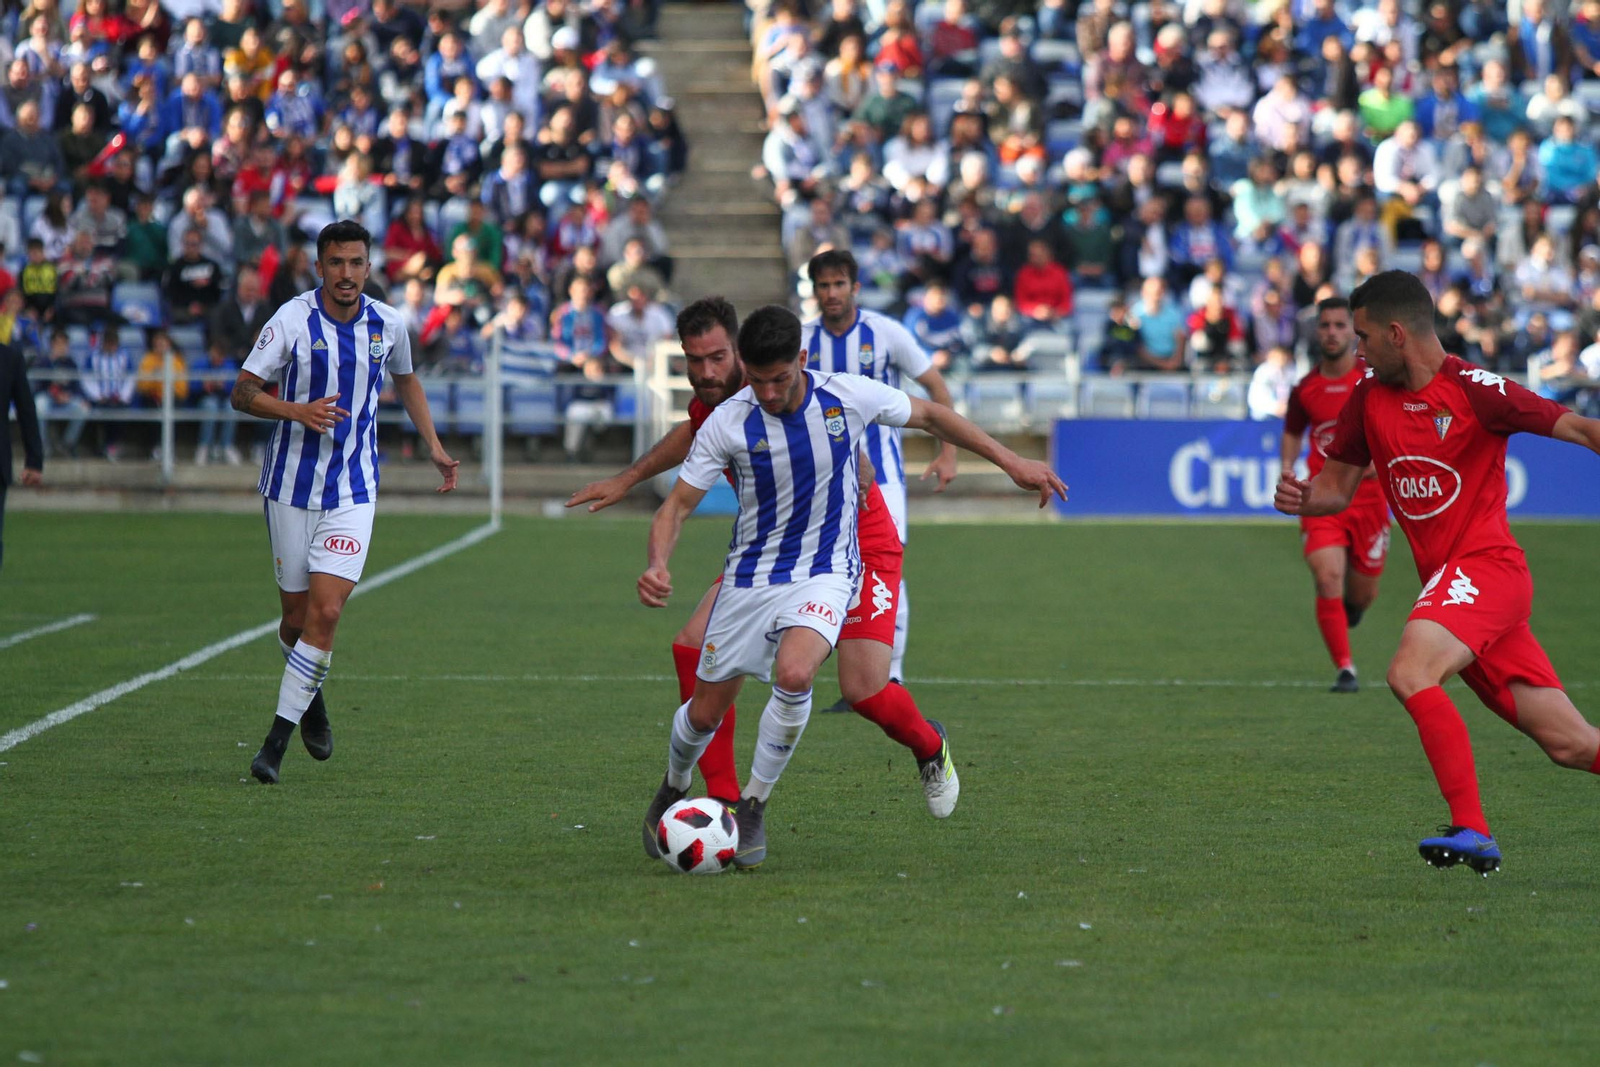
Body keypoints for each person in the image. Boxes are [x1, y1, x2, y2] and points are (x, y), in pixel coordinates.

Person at [632, 303, 1066, 867]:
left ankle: (756, 804)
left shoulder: (846, 395)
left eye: (779, 380)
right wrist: (657, 562)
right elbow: (676, 506)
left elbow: (932, 414)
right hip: (754, 571)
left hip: (838, 561)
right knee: (704, 709)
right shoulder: (727, 419)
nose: (766, 393)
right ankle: (675, 781)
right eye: (756, 380)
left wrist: (1012, 462)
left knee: (821, 678)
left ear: (802, 362)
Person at [569, 296, 968, 827]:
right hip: (771, 551)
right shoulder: (724, 406)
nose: (706, 372)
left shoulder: (788, 388)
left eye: (716, 358)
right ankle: (725, 802)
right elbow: (691, 438)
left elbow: (858, 458)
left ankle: (928, 744)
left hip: (855, 542)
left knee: (863, 689)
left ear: (740, 352)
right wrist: (627, 479)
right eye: (694, 360)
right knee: (691, 645)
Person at [1274, 270, 1600, 873]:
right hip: (1458, 590)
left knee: (1409, 670)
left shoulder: (1477, 390)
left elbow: (1579, 428)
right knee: (1572, 744)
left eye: (1365, 337)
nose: (1357, 350)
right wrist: (1303, 498)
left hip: (1489, 570)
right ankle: (1476, 826)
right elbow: (1335, 488)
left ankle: (1473, 828)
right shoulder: (1368, 399)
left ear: (1397, 334)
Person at [230, 220, 459, 786]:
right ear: (320, 267)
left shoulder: (388, 323)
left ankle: (273, 748)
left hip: (354, 489)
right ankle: (311, 701)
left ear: (369, 266)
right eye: (336, 263)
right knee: (295, 620)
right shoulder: (291, 319)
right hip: (289, 486)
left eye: (357, 263)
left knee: (327, 612)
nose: (347, 274)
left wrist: (433, 445)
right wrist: (297, 411)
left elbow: (406, 381)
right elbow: (242, 392)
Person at [802, 249, 960, 689]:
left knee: (887, 573)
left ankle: (890, 677)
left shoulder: (886, 333)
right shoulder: (799, 338)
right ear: (814, 291)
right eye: (823, 285)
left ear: (855, 287)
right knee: (823, 571)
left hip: (883, 479)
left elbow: (935, 387)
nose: (831, 293)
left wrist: (947, 451)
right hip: (821, 480)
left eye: (839, 284)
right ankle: (822, 673)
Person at [1279, 297, 1392, 693]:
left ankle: (1351, 610)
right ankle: (1345, 668)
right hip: (1321, 495)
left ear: (1353, 331)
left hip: (1370, 501)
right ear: (1317, 331)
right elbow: (1293, 430)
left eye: (1340, 326)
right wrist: (1289, 466)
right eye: (1325, 325)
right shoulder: (1306, 388)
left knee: (1363, 595)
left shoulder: (1375, 381)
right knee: (1328, 577)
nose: (1331, 332)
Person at [0, 338, 45, 574]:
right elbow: (26, 410)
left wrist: (35, 460)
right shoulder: (10, 358)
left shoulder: (10, 358)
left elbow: (26, 409)